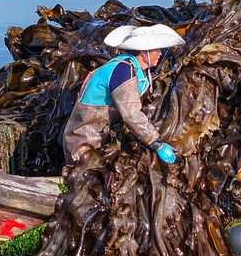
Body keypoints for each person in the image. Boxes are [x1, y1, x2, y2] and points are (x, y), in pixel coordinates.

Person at [62, 24, 184, 165]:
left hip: (103, 141)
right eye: (157, 49)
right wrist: (157, 144)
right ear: (143, 52)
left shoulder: (131, 67)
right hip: (86, 146)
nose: (161, 53)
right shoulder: (123, 70)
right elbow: (131, 114)